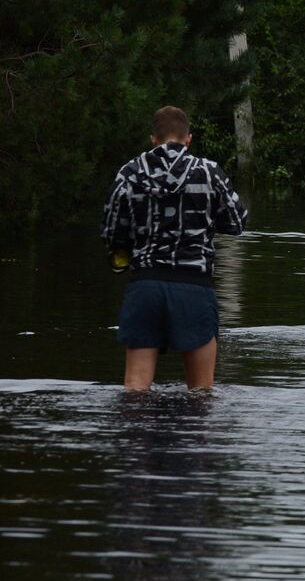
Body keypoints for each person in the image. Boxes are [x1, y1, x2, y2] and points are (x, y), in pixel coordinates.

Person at [101, 105, 248, 392]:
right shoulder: (209, 173)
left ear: (153, 138)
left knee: (135, 388)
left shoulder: (129, 174)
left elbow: (112, 233)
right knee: (201, 392)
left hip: (146, 286)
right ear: (188, 138)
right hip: (194, 287)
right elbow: (237, 222)